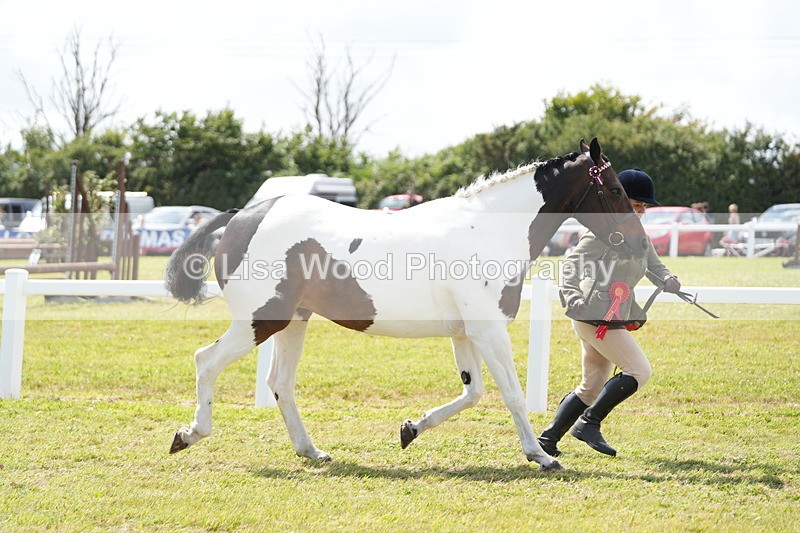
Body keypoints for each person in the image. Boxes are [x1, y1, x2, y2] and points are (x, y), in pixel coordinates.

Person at [538, 168, 682, 457]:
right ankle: (588, 423)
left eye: (643, 207)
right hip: (593, 314)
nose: (640, 212)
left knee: (592, 385)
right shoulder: (600, 233)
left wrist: (668, 279)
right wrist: (572, 295)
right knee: (639, 371)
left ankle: (547, 439)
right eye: (635, 205)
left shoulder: (638, 235)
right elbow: (571, 265)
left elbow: (653, 265)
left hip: (613, 314)